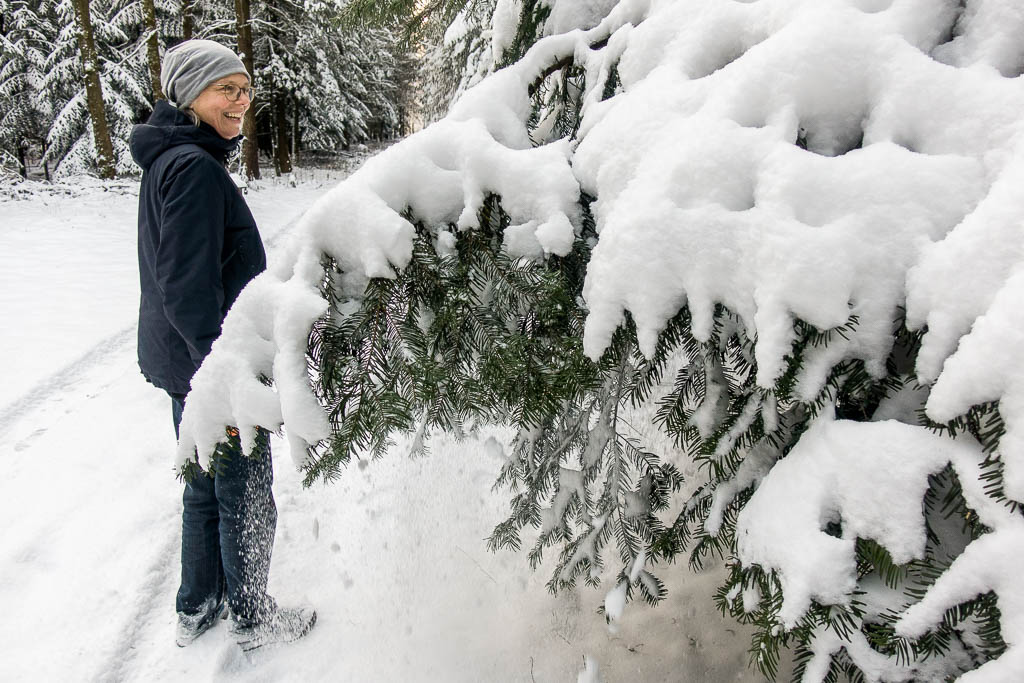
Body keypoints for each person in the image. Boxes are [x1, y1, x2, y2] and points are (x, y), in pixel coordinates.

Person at [130, 39, 315, 650]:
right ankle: (253, 616)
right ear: (189, 95)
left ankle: (196, 605)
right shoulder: (194, 168)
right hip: (210, 361)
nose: (240, 102)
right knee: (244, 488)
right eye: (225, 90)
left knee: (205, 483)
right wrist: (225, 368)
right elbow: (185, 285)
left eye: (245, 90)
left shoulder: (173, 159)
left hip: (184, 360)